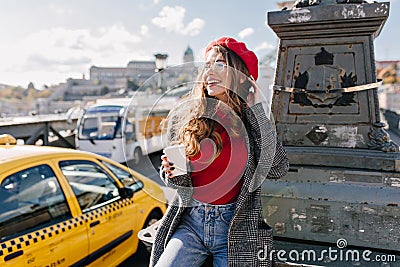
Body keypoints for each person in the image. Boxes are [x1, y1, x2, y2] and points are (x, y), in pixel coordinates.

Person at [150, 36, 289, 267]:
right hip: (191, 223)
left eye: (219, 64)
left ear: (240, 75)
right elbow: (180, 182)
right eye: (207, 66)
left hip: (234, 227)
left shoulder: (251, 121)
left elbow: (277, 168)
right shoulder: (193, 118)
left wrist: (256, 109)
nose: (209, 72)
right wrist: (172, 172)